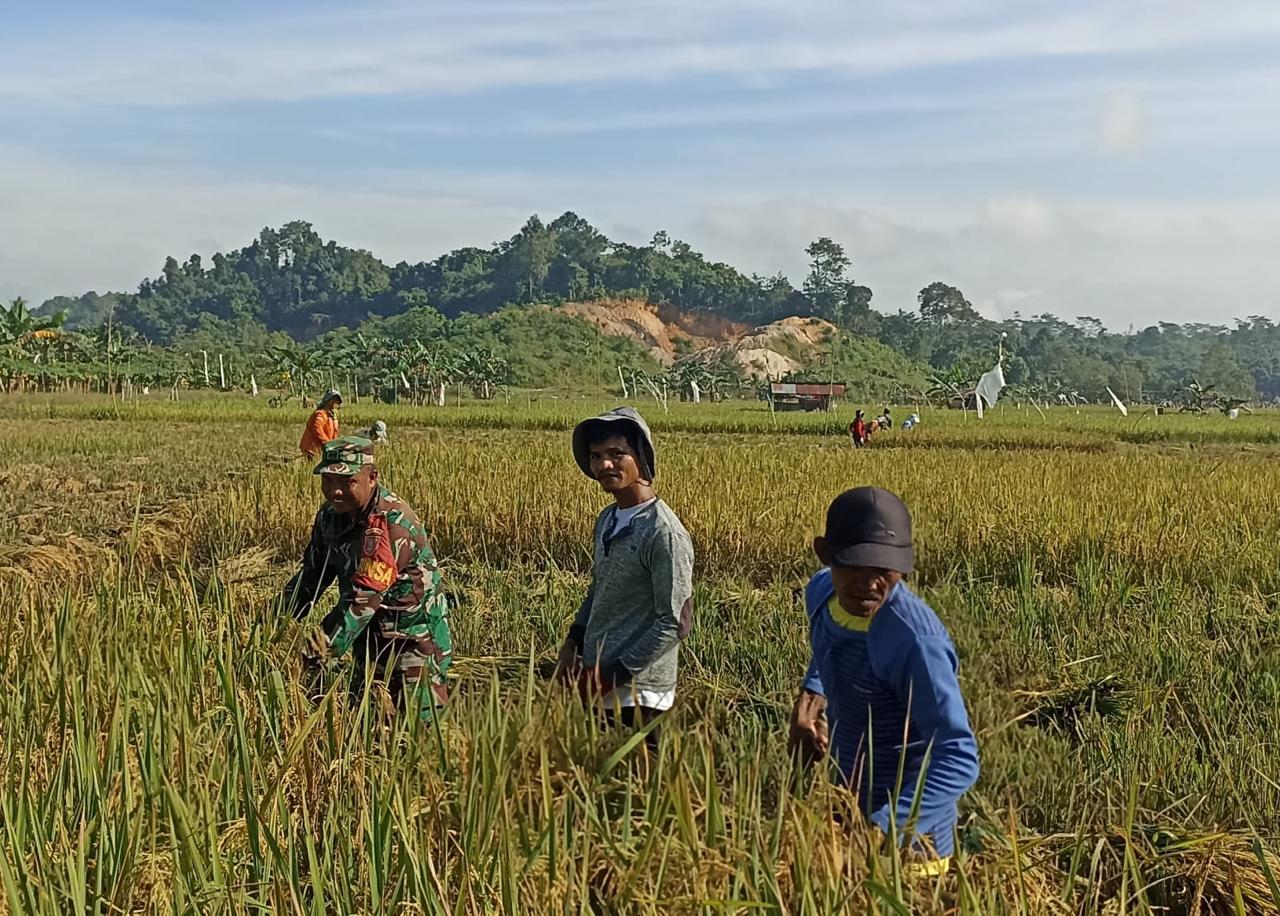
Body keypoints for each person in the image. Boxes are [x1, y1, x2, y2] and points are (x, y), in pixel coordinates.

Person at [789, 487, 978, 869]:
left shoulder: (913, 640)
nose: (868, 582)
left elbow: (957, 755)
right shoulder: (822, 593)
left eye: (883, 570)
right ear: (825, 554)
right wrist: (809, 700)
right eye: (854, 565)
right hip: (847, 808)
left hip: (909, 849)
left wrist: (883, 832)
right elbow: (830, 644)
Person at [277, 435, 452, 724]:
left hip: (413, 647)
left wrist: (309, 658)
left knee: (416, 742)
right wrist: (273, 624)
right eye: (328, 481)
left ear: (372, 478)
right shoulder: (330, 517)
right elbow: (312, 577)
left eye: (347, 482)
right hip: (368, 643)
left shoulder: (391, 526)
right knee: (367, 732)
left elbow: (360, 605)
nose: (334, 492)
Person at [556, 407, 695, 744]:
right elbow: (600, 588)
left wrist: (614, 674)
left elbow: (675, 621)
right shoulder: (608, 519)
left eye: (617, 454)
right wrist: (573, 642)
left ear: (642, 457)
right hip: (598, 679)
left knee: (642, 785)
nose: (605, 465)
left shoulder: (663, 533)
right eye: (596, 456)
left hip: (640, 692)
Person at [300, 388, 342, 458]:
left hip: (322, 449)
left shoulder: (333, 416)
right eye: (335, 401)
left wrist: (334, 445)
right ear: (329, 401)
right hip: (312, 448)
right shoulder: (320, 414)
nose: (336, 404)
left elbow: (335, 432)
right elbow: (317, 428)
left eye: (337, 402)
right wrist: (327, 443)